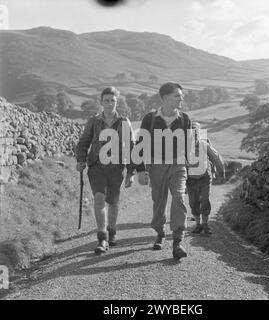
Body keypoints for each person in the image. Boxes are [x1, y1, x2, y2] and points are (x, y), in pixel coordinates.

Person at [136, 82, 192, 259]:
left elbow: (189, 146)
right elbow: (140, 145)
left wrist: (191, 166)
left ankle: (178, 242)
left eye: (181, 95)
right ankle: (160, 233)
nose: (181, 98)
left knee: (179, 198)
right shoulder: (150, 119)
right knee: (158, 204)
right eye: (177, 95)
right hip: (156, 166)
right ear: (166, 97)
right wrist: (140, 169)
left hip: (178, 166)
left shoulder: (185, 119)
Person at [75, 87, 135, 254]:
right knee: (99, 199)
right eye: (106, 100)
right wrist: (81, 160)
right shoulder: (93, 121)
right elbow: (83, 142)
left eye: (113, 100)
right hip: (97, 166)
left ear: (117, 102)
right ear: (101, 102)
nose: (109, 103)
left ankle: (112, 231)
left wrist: (131, 172)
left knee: (113, 202)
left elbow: (131, 147)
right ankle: (102, 238)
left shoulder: (124, 122)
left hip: (117, 167)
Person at [186, 122, 225, 236]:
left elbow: (215, 157)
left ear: (199, 134)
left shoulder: (204, 144)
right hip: (190, 179)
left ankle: (205, 225)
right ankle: (198, 225)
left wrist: (221, 172)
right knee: (193, 202)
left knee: (204, 200)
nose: (194, 136)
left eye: (196, 133)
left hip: (204, 177)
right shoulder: (184, 147)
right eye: (191, 133)